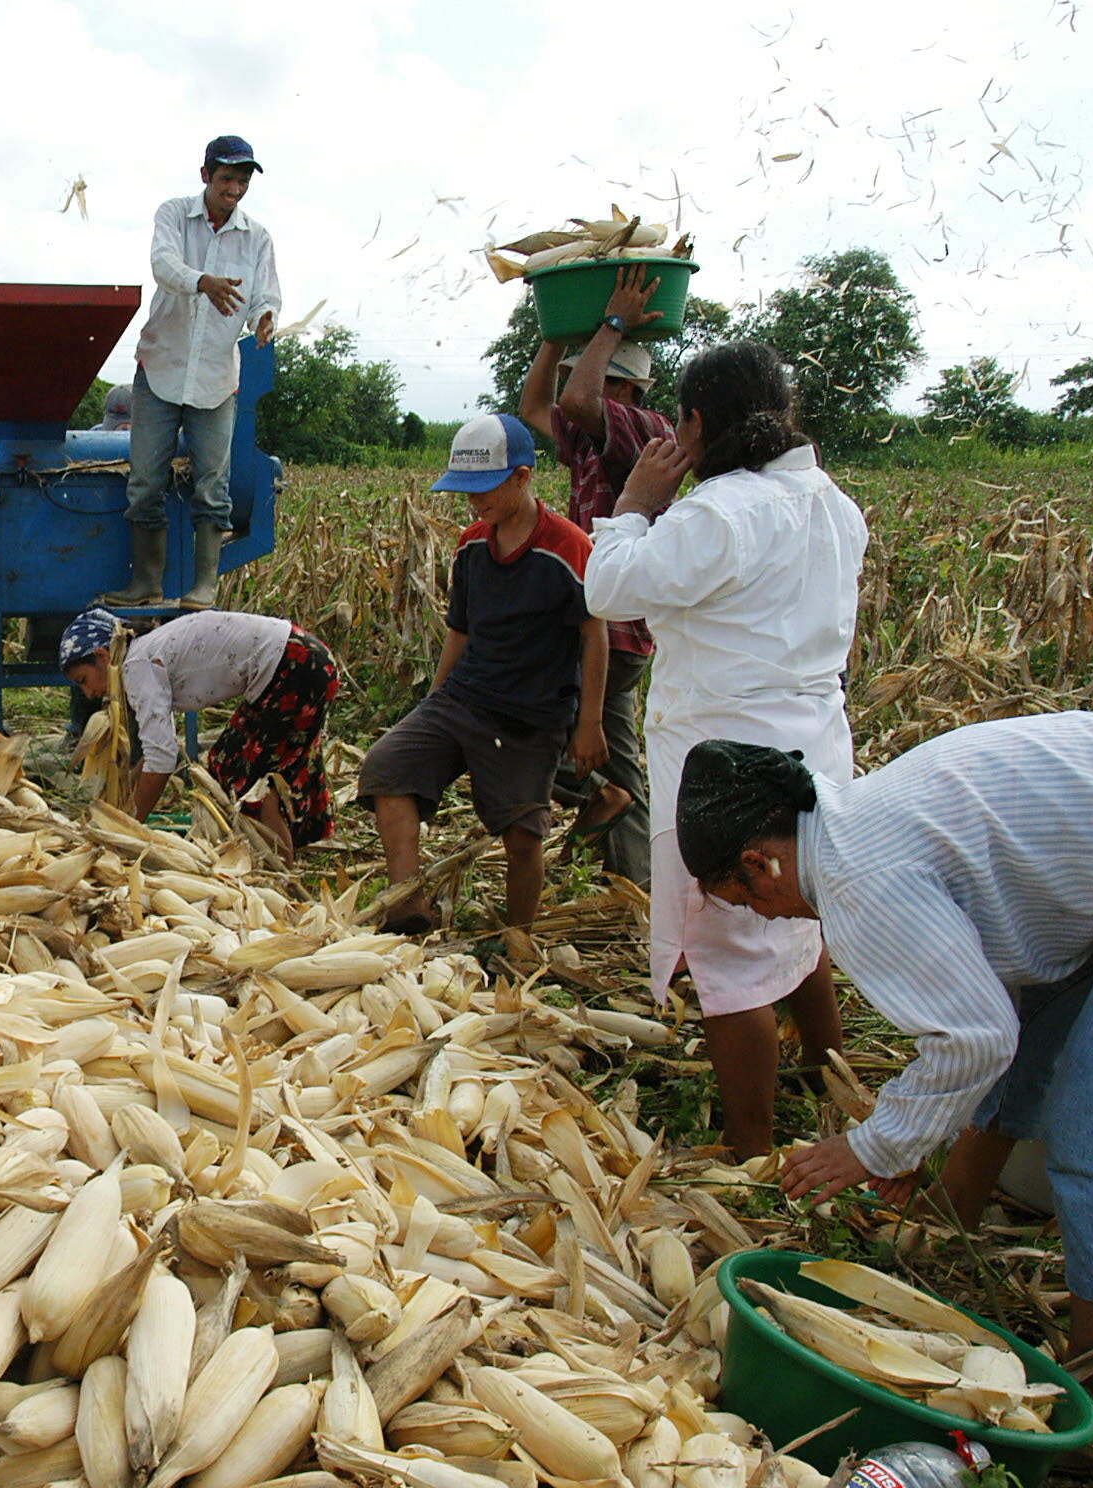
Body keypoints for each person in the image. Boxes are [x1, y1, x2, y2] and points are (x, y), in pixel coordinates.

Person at [675, 714, 1093, 1390]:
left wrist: (872, 1147)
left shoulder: (860, 882)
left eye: (743, 900)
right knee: (1029, 1037)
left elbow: (975, 1039)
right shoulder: (850, 825)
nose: (764, 916)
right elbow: (997, 1022)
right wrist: (911, 1140)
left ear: (759, 862)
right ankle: (948, 1224)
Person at [583, 341, 867, 1158]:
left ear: (699, 422)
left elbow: (610, 590)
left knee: (730, 949)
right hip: (815, 745)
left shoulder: (725, 510)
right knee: (797, 919)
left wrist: (633, 502)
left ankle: (753, 1150)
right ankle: (828, 1071)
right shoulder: (832, 502)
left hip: (725, 760)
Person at [357, 415, 609, 931]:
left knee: (522, 836)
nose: (474, 503)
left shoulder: (568, 547)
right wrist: (435, 697)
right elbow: (460, 631)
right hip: (465, 698)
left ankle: (517, 940)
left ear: (522, 476)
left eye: (484, 489)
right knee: (388, 767)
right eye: (466, 492)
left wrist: (589, 722)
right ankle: (409, 907)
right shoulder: (472, 544)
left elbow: (594, 635)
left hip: (531, 714)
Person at [517, 267, 675, 887]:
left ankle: (593, 802)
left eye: (603, 377)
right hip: (614, 626)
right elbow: (537, 405)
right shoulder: (590, 440)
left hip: (610, 629)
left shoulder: (642, 431)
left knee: (517, 724)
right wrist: (555, 335)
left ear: (626, 390)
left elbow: (580, 400)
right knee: (622, 766)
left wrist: (611, 323)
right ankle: (634, 891)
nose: (581, 390)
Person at [98, 135, 281, 612]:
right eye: (227, 179)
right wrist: (202, 282)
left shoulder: (257, 238)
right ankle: (147, 584)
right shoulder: (174, 215)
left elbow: (264, 296)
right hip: (161, 367)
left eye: (243, 182)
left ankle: (203, 587)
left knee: (212, 487)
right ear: (205, 176)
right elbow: (163, 266)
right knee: (143, 484)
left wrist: (265, 317)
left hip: (217, 378)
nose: (235, 190)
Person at [59, 607, 337, 861]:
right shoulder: (146, 654)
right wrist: (118, 808)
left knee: (252, 777)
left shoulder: (136, 666)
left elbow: (162, 761)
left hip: (294, 667)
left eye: (84, 680)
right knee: (228, 762)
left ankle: (280, 871)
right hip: (303, 659)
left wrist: (128, 831)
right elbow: (159, 748)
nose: (89, 693)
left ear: (102, 655)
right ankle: (281, 853)